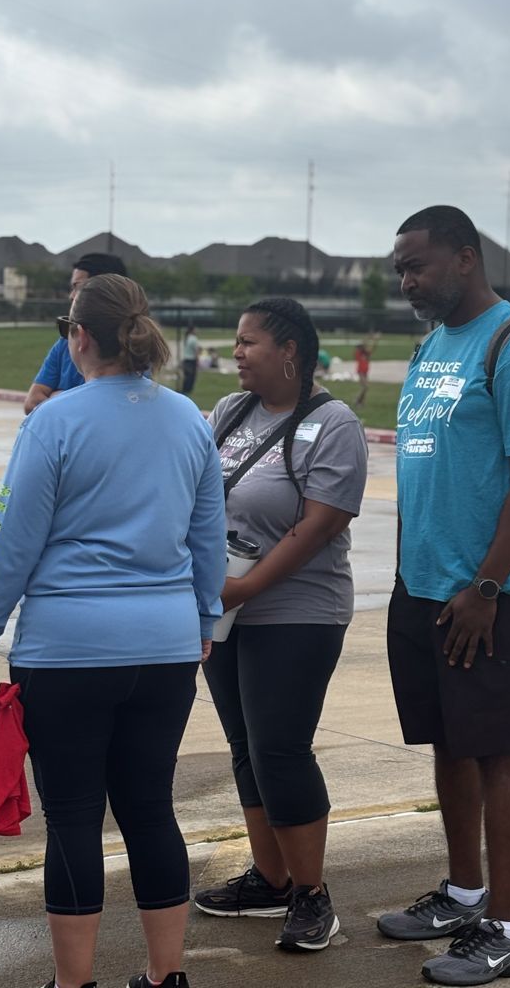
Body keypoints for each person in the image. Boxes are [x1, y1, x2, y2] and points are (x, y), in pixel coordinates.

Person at [0, 274, 226, 988]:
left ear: (79, 337)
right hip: (167, 644)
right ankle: (166, 975)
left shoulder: (55, 420)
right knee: (149, 808)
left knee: (75, 815)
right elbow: (209, 539)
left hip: (70, 647)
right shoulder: (188, 420)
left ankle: (74, 983)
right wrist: (203, 618)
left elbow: (12, 540)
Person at [377, 207, 510, 986]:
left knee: (496, 749)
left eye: (416, 266)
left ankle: (507, 928)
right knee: (449, 742)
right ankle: (462, 892)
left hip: (487, 593)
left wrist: (487, 585)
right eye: (400, 271)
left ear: (464, 256)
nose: (407, 282)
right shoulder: (431, 345)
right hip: (421, 587)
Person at [193, 297, 368, 952]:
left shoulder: (332, 424)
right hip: (227, 605)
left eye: (248, 342)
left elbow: (319, 525)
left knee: (280, 747)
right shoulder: (227, 412)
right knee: (245, 746)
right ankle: (270, 881)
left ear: (289, 351)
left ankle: (312, 894)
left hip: (295, 610)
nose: (235, 352)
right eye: (235, 342)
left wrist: (244, 589)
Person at [23, 252, 127, 414]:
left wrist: (57, 396)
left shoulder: (133, 346)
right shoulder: (65, 342)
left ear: (104, 290)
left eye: (78, 287)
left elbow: (118, 407)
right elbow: (32, 402)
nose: (71, 296)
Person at [353, 334, 377, 406]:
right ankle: (357, 400)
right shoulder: (358, 353)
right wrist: (369, 337)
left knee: (365, 388)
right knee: (365, 387)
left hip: (365, 372)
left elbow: (373, 348)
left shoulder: (366, 354)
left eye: (359, 347)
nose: (358, 348)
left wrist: (375, 340)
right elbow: (364, 343)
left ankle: (361, 402)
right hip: (360, 372)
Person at [181, 325, 199, 394]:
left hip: (186, 359)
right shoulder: (194, 338)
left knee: (186, 376)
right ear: (192, 330)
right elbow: (196, 350)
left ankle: (184, 389)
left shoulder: (187, 338)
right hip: (192, 359)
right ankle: (188, 390)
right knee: (191, 376)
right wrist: (198, 360)